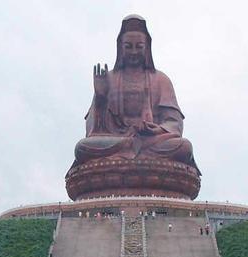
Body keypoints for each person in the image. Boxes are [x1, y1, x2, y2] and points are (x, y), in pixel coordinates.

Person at [72, 15, 199, 172]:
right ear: (120, 48)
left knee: (184, 147)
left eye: (139, 46)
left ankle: (127, 159)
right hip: (117, 141)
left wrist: (158, 129)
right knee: (82, 148)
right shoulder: (109, 79)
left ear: (147, 48)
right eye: (128, 46)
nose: (133, 51)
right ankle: (131, 154)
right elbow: (92, 129)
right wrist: (100, 98)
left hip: (151, 141)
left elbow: (174, 122)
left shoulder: (161, 79)